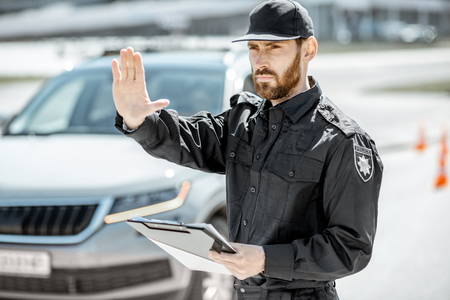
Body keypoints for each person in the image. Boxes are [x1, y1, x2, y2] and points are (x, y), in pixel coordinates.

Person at [112, 0, 383, 299]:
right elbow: (189, 138)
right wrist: (139, 119)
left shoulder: (342, 141)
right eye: (254, 47)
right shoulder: (243, 120)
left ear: (308, 50)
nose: (260, 60)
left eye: (273, 47)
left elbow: (352, 247)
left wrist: (266, 259)